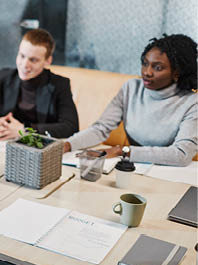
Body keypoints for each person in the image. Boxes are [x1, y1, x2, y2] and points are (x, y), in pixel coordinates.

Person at [64, 34, 197, 166]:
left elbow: (181, 154)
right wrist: (68, 145)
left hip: (171, 173)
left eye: (158, 67)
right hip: (132, 167)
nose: (147, 72)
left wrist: (122, 151)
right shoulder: (131, 88)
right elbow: (101, 129)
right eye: (145, 63)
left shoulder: (192, 103)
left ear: (177, 73)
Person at [0, 28, 79, 139]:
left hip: (38, 148)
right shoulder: (5, 78)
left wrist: (25, 130)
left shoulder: (60, 85)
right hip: (3, 143)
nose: (25, 64)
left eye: (33, 60)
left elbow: (70, 127)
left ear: (47, 61)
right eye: (22, 56)